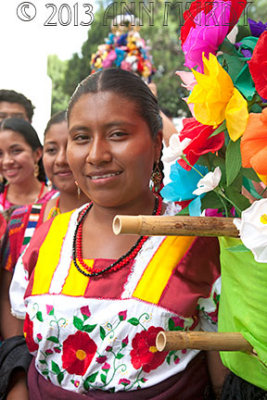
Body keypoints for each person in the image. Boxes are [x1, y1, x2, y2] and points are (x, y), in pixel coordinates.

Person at [7, 69, 225, 399]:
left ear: (155, 145)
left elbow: (224, 379)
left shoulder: (199, 244)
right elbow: (24, 350)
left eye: (118, 134)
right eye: (81, 138)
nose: (96, 155)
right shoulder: (45, 239)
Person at [0, 110, 88, 339]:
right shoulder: (21, 220)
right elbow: (7, 297)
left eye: (72, 145)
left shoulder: (115, 219)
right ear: (42, 155)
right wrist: (17, 362)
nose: (60, 159)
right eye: (51, 150)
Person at [0, 117, 53, 212]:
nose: (7, 161)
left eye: (16, 151)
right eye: (0, 154)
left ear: (37, 154)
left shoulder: (56, 202)